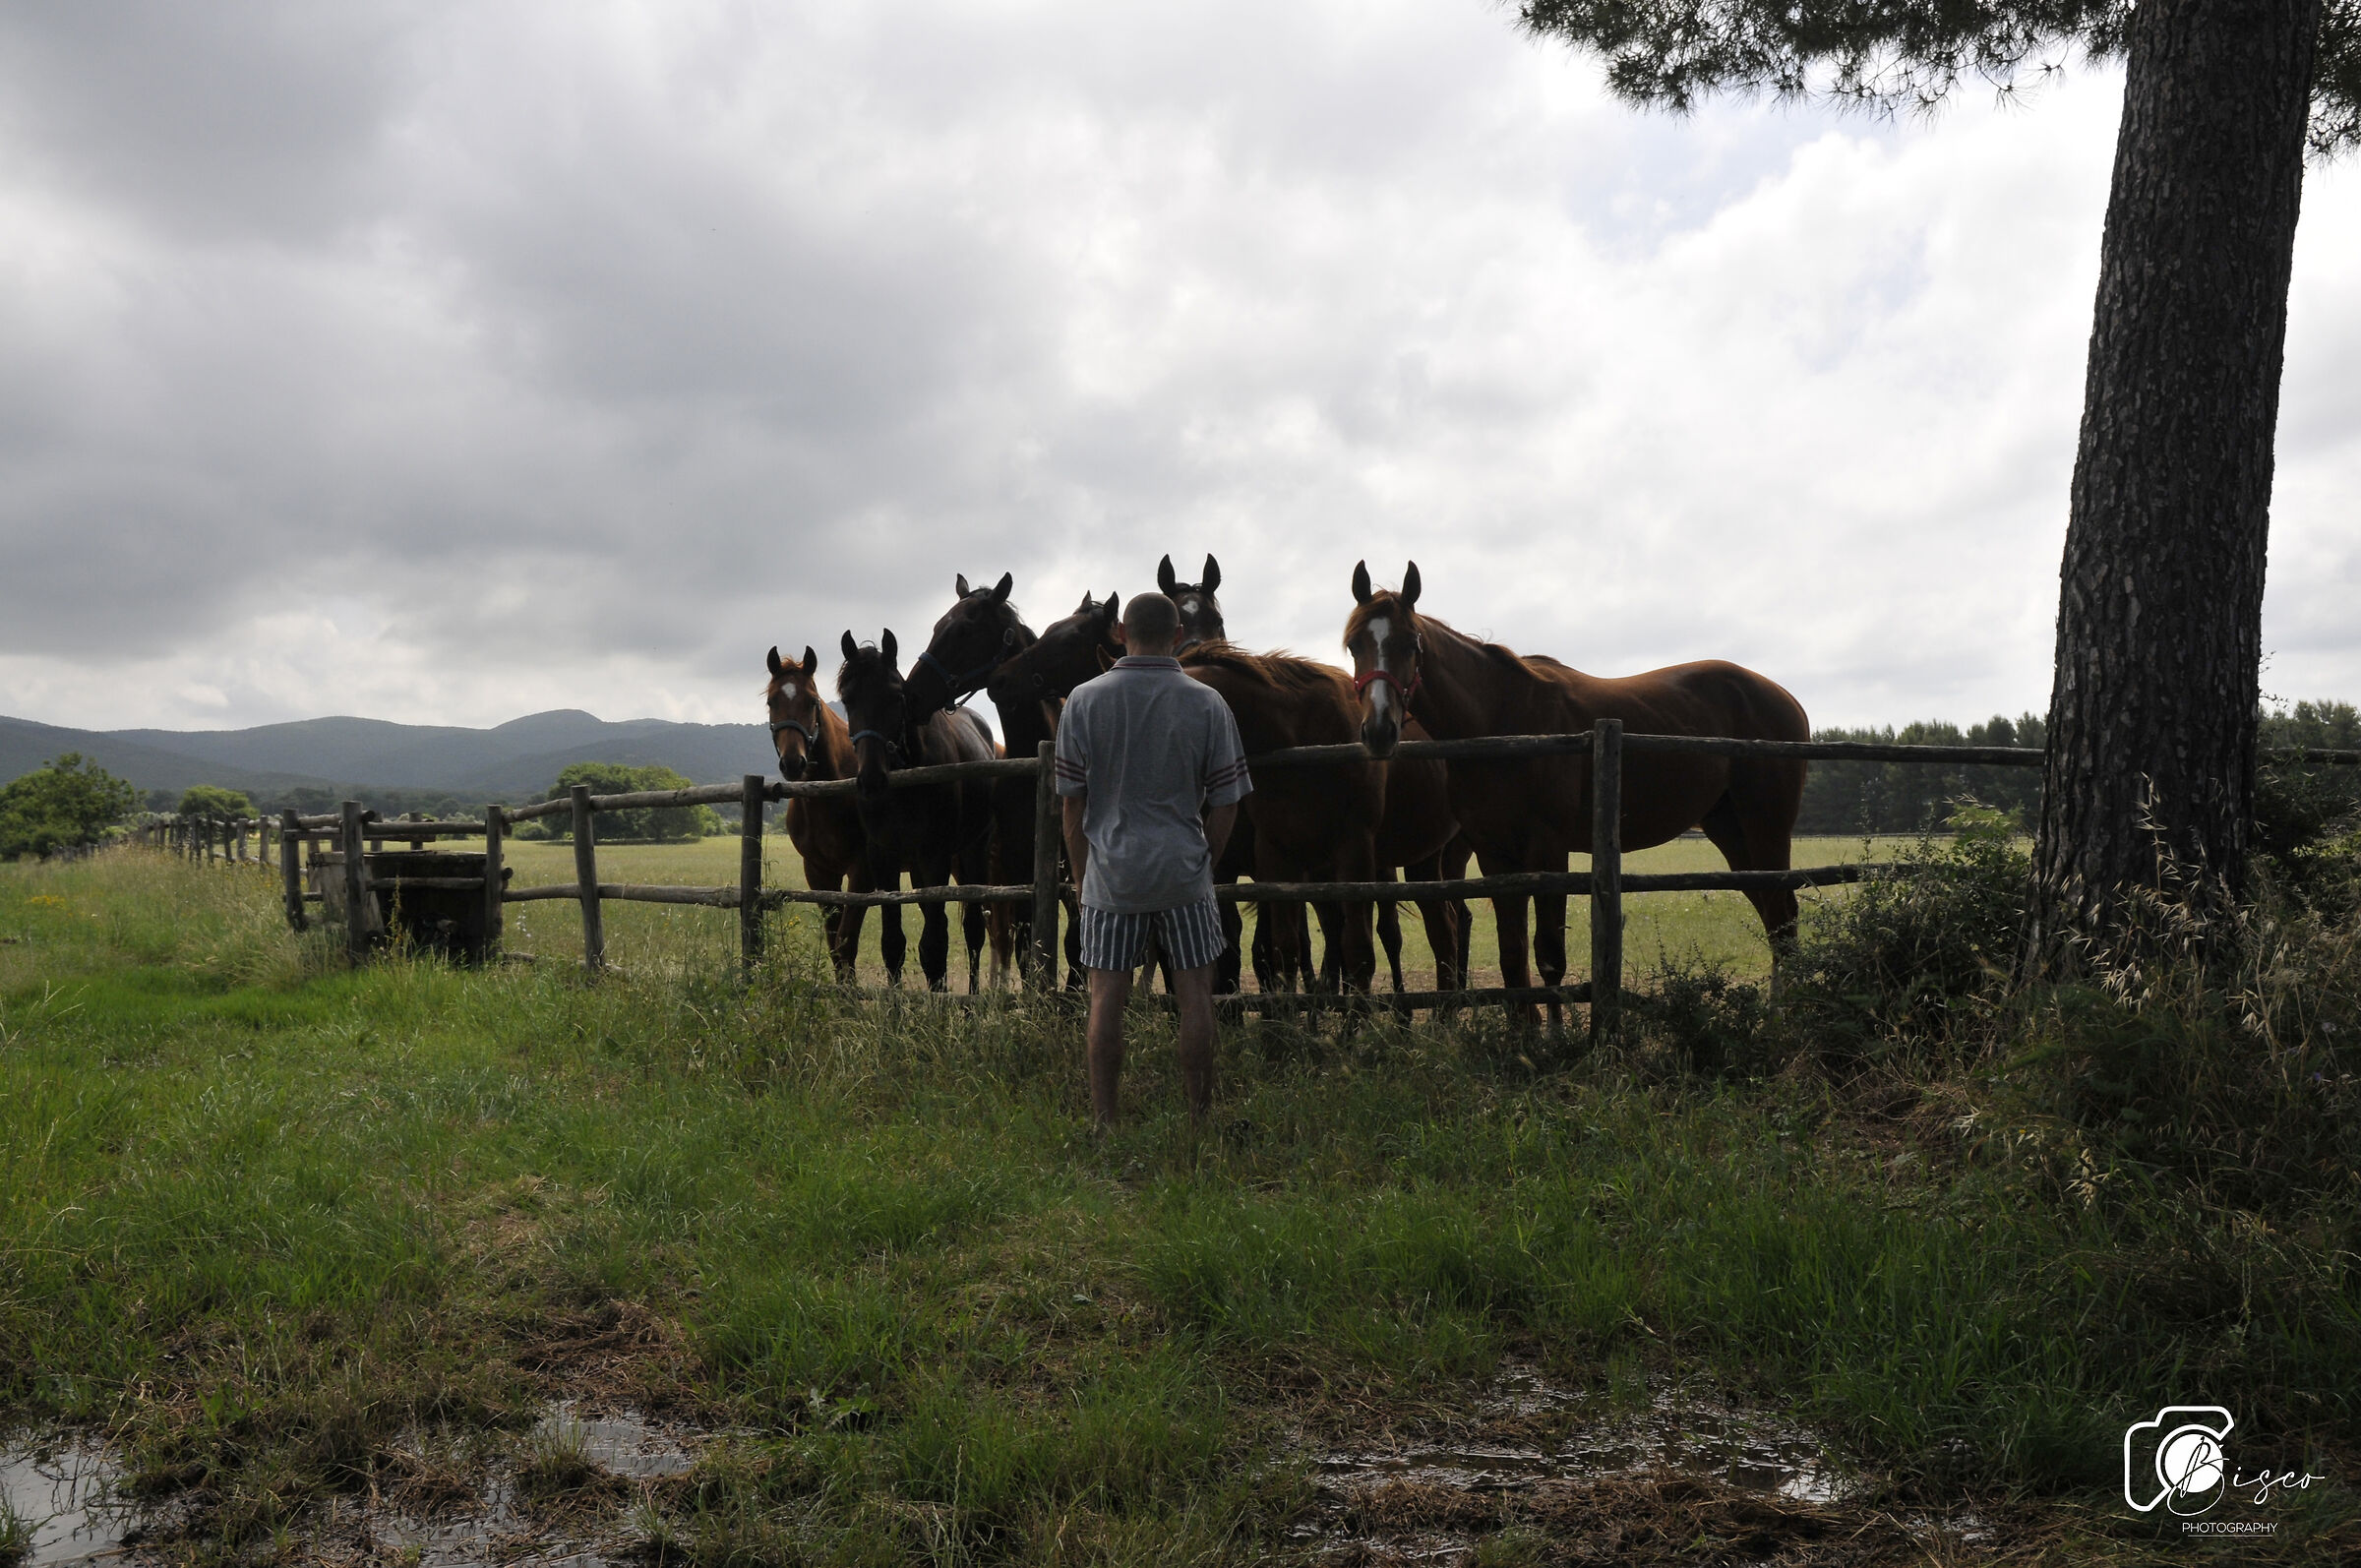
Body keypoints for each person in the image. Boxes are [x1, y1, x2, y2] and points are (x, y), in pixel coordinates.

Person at [1055, 591, 1251, 1121]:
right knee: (1194, 1000)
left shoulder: (1083, 701)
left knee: (1105, 1002)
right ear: (1180, 637)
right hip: (1183, 872)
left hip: (1111, 877)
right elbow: (1228, 802)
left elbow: (1072, 804)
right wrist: (1203, 864)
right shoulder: (1207, 703)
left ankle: (1105, 1121)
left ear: (1121, 632)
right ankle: (1199, 1116)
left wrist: (1081, 875)